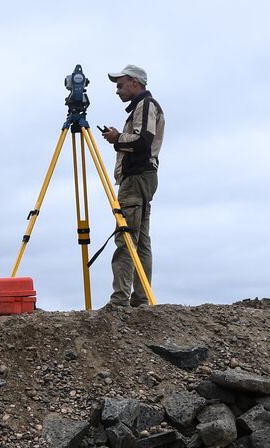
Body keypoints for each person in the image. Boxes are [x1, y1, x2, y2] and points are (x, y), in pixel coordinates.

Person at [98, 65, 164, 309]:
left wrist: (117, 139)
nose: (118, 90)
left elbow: (143, 141)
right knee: (141, 239)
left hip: (136, 178)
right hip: (144, 177)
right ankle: (140, 298)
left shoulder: (145, 106)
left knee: (127, 238)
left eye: (120, 84)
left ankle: (121, 300)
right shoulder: (144, 107)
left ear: (135, 82)